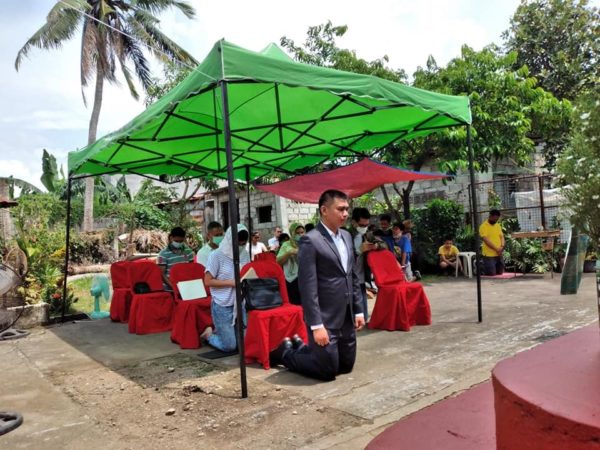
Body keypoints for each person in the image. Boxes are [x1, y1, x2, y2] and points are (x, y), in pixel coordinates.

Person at [270, 189, 365, 381]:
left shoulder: (346, 236)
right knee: (327, 371)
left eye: (347, 209)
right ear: (324, 210)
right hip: (325, 317)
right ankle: (286, 354)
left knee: (346, 367)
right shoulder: (310, 240)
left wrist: (358, 310)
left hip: (346, 315)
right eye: (340, 209)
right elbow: (307, 286)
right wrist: (316, 325)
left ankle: (301, 346)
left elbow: (352, 276)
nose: (345, 214)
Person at [203, 225, 250, 352]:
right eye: (238, 244)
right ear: (230, 240)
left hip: (239, 302)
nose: (241, 247)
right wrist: (231, 283)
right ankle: (209, 335)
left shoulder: (244, 254)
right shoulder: (216, 255)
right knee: (229, 346)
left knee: (243, 345)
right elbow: (207, 281)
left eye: (243, 244)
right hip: (222, 305)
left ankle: (223, 333)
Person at [349, 207, 375, 322]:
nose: (364, 227)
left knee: (363, 308)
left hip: (362, 275)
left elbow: (383, 244)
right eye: (361, 225)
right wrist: (359, 250)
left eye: (366, 225)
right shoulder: (346, 235)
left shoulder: (368, 234)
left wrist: (376, 246)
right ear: (353, 222)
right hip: (350, 276)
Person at [276, 223, 305, 305]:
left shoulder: (308, 243)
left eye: (302, 232)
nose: (300, 235)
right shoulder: (286, 245)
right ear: (292, 233)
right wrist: (289, 253)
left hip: (306, 279)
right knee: (295, 304)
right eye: (297, 233)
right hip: (292, 280)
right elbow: (278, 262)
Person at [479, 209, 505, 275]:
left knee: (500, 272)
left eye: (497, 219)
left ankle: (486, 266)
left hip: (498, 253)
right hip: (489, 254)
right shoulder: (483, 226)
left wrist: (502, 247)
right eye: (494, 219)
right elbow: (486, 240)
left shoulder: (498, 225)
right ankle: (480, 266)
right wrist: (497, 249)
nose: (495, 221)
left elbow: (502, 237)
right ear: (490, 216)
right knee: (491, 273)